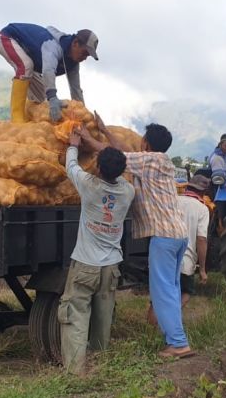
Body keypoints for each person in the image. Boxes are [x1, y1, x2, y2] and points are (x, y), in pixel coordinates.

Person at [79, 117, 194, 359]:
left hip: (163, 236)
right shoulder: (159, 160)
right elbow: (126, 151)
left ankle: (178, 343)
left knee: (162, 291)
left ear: (146, 142)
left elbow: (116, 156)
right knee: (171, 290)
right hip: (177, 235)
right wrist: (104, 131)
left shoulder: (150, 161)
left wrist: (88, 139)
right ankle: (175, 337)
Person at [58, 128, 134, 375]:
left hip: (85, 265)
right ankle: (101, 362)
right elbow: (121, 167)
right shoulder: (128, 192)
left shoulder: (89, 186)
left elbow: (71, 167)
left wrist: (74, 144)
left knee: (76, 315)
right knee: (103, 318)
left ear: (98, 169)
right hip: (111, 267)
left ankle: (75, 370)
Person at [0, 23, 99, 123]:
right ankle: (17, 118)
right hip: (7, 38)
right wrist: (53, 97)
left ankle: (27, 116)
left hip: (31, 58)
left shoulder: (73, 63)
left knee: (40, 99)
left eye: (88, 56)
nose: (85, 58)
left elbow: (75, 89)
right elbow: (48, 71)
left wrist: (83, 116)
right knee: (26, 66)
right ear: (75, 43)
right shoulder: (53, 46)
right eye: (85, 53)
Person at [147, 174, 210, 325]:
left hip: (162, 256)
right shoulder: (202, 209)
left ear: (187, 187)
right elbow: (201, 240)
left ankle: (149, 329)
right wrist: (202, 269)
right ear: (203, 193)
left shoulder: (172, 201)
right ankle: (169, 316)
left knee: (159, 295)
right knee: (186, 293)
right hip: (185, 261)